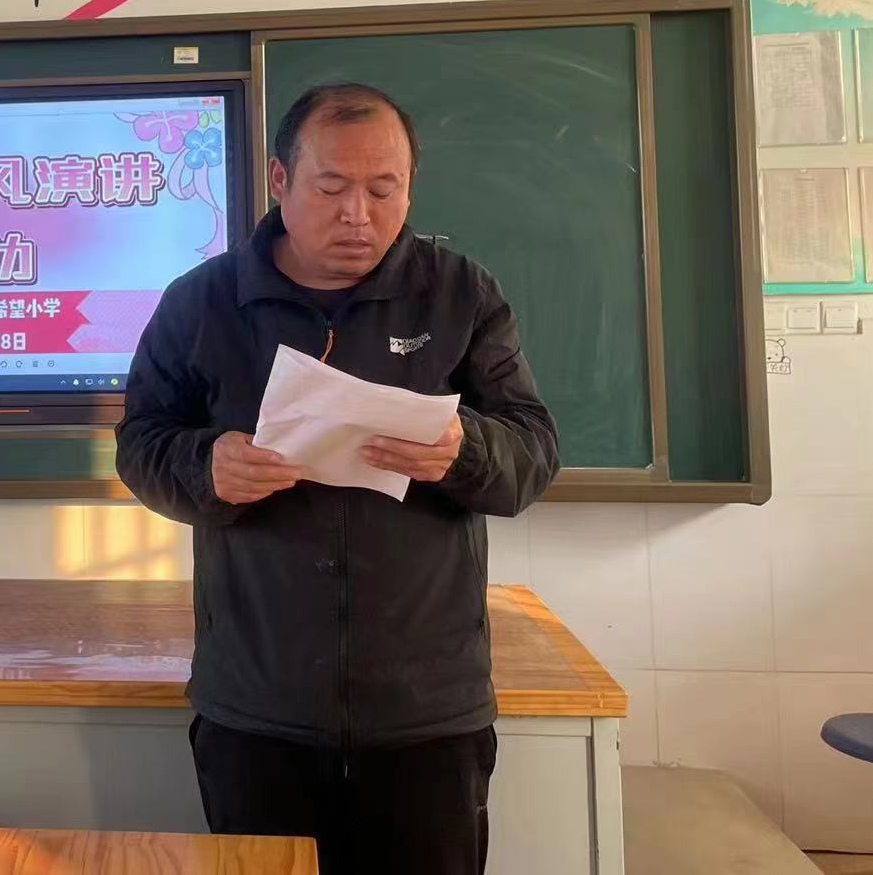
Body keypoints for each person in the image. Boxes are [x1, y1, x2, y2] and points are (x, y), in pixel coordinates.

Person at [116, 82, 560, 875]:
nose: (359, 214)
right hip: (258, 710)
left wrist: (463, 451)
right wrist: (206, 466)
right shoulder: (204, 303)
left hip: (426, 713)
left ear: (410, 187)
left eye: (384, 190)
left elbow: (533, 453)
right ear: (280, 179)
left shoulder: (459, 294)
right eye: (332, 187)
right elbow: (141, 445)